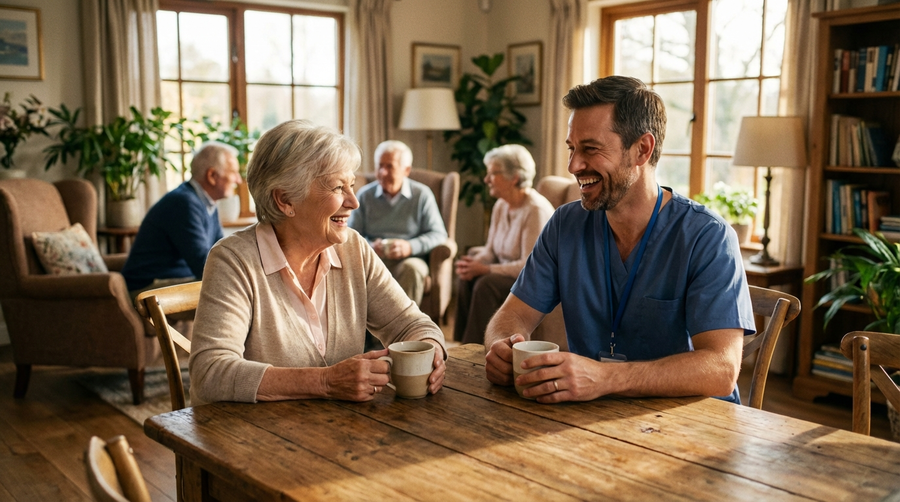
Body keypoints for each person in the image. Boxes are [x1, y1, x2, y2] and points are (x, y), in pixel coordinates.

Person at [483, 76, 755, 404]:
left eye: (590, 149)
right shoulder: (564, 225)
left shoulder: (708, 237)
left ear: (642, 149)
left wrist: (606, 378)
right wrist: (501, 345)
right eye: (572, 149)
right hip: (595, 418)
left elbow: (722, 369)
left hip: (693, 426)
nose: (573, 166)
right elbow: (512, 316)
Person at [189, 120, 446, 406]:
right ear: (285, 199)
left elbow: (411, 323)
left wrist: (432, 348)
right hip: (253, 440)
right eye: (338, 188)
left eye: (351, 185)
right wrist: (325, 381)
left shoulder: (354, 249)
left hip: (338, 437)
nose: (354, 202)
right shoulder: (234, 260)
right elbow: (210, 372)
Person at [454, 144, 554, 345]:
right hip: (509, 275)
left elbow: (529, 266)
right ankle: (464, 345)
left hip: (535, 280)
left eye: (492, 173)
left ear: (514, 177)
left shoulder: (535, 210)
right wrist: (473, 264)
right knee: (468, 278)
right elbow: (491, 250)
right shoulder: (501, 205)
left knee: (486, 283)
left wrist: (486, 269)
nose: (486, 179)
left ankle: (481, 349)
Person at [122, 141, 241, 295]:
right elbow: (204, 265)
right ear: (212, 175)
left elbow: (219, 252)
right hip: (147, 288)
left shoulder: (208, 203)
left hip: (169, 282)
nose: (238, 180)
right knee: (231, 291)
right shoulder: (184, 203)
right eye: (233, 172)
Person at [348, 140, 447, 305]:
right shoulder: (365, 195)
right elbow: (350, 234)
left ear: (406, 170)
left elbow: (438, 234)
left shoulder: (422, 195)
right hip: (374, 259)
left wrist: (410, 247)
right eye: (379, 166)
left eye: (389, 166)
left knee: (412, 269)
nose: (382, 172)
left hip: (410, 259)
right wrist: (370, 246)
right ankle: (364, 330)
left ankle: (404, 327)